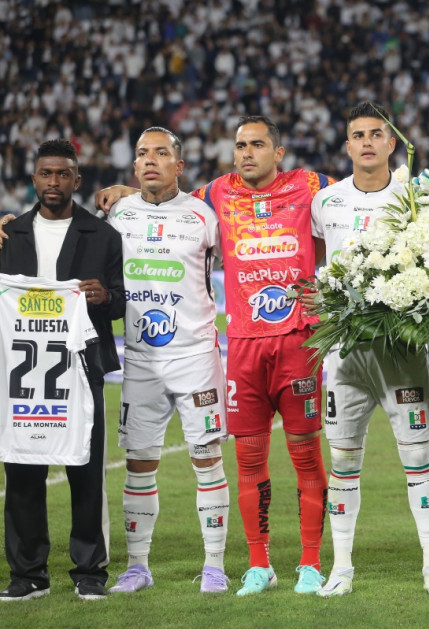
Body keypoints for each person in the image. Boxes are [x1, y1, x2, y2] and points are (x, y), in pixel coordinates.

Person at [97, 116, 335, 596]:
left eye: (258, 144)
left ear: (279, 151)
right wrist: (122, 189)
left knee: (299, 455)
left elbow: (355, 196)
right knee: (237, 459)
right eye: (240, 145)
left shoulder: (309, 186)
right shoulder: (211, 197)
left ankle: (304, 564)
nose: (247, 153)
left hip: (285, 343)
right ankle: (249, 564)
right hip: (232, 348)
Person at [309, 102, 429, 598]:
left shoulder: (418, 196)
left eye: (377, 134)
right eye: (358, 135)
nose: (367, 142)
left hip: (401, 354)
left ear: (392, 143)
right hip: (345, 356)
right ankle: (342, 568)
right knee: (344, 461)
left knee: (419, 459)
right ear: (347, 145)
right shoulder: (326, 203)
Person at [105, 127, 230, 595]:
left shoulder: (204, 216)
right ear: (134, 166)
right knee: (139, 462)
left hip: (195, 357)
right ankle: (138, 566)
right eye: (142, 153)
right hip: (139, 358)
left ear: (180, 165)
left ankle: (214, 565)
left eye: (161, 153)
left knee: (207, 459)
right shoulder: (118, 213)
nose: (150, 160)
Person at [0, 139, 125, 601]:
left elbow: (122, 299)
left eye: (63, 174)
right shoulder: (10, 235)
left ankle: (89, 572)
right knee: (22, 469)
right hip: (21, 373)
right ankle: (27, 574)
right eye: (46, 174)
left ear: (77, 179)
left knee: (85, 470)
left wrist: (105, 297)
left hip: (82, 368)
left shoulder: (103, 235)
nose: (54, 182)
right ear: (33, 179)